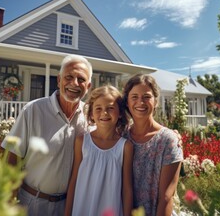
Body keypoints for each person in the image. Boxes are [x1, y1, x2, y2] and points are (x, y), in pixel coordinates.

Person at [1, 55, 92, 216]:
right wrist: (8, 204)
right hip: (31, 204)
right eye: (69, 77)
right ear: (59, 80)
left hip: (70, 206)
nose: (74, 83)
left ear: (89, 86)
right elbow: (11, 159)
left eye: (81, 79)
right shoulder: (33, 110)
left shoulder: (91, 117)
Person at [65, 85, 133, 216]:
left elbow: (127, 189)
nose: (104, 113)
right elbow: (74, 180)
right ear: (91, 113)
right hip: (82, 209)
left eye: (110, 108)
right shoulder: (82, 142)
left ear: (119, 113)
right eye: (98, 108)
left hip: (110, 210)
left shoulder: (125, 147)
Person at [122, 74, 183, 216]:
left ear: (156, 101)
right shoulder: (120, 137)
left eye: (146, 97)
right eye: (134, 97)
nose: (140, 102)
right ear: (127, 102)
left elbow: (167, 197)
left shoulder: (168, 140)